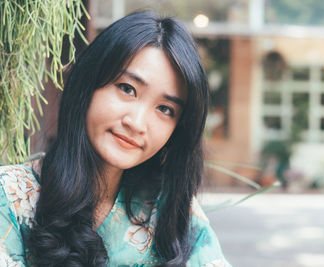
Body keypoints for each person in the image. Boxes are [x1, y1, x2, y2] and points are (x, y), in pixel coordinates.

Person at [0, 11, 231, 267]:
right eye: (127, 89)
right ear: (88, 84)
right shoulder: (10, 198)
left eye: (165, 109)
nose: (137, 123)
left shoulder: (169, 208)